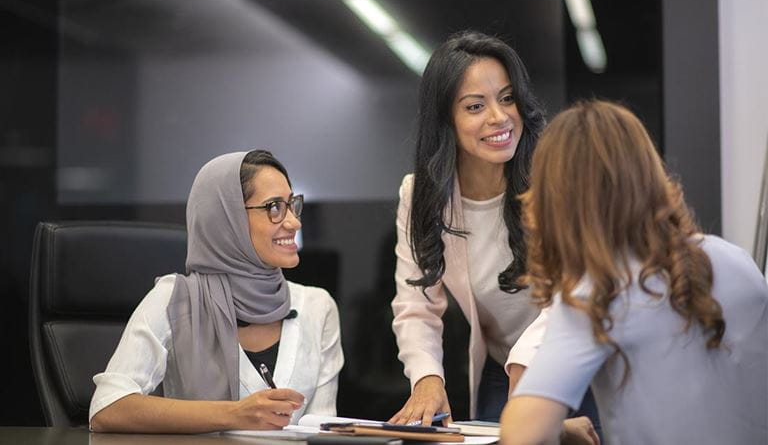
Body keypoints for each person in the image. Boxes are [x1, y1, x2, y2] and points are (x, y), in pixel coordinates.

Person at [501, 100, 768, 444]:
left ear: (556, 201)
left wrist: (561, 428)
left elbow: (524, 434)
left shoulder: (598, 296)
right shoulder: (738, 263)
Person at [389, 30, 598, 430]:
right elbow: (416, 305)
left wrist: (527, 367)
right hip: (502, 370)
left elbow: (578, 290)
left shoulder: (556, 177)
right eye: (474, 106)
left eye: (507, 98)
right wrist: (427, 380)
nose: (499, 117)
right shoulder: (420, 195)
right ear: (445, 118)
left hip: (580, 365)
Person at [89, 150, 344, 433]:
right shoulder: (176, 298)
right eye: (274, 207)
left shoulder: (318, 307)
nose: (294, 222)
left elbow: (322, 429)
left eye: (292, 204)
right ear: (227, 217)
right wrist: (235, 414)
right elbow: (108, 408)